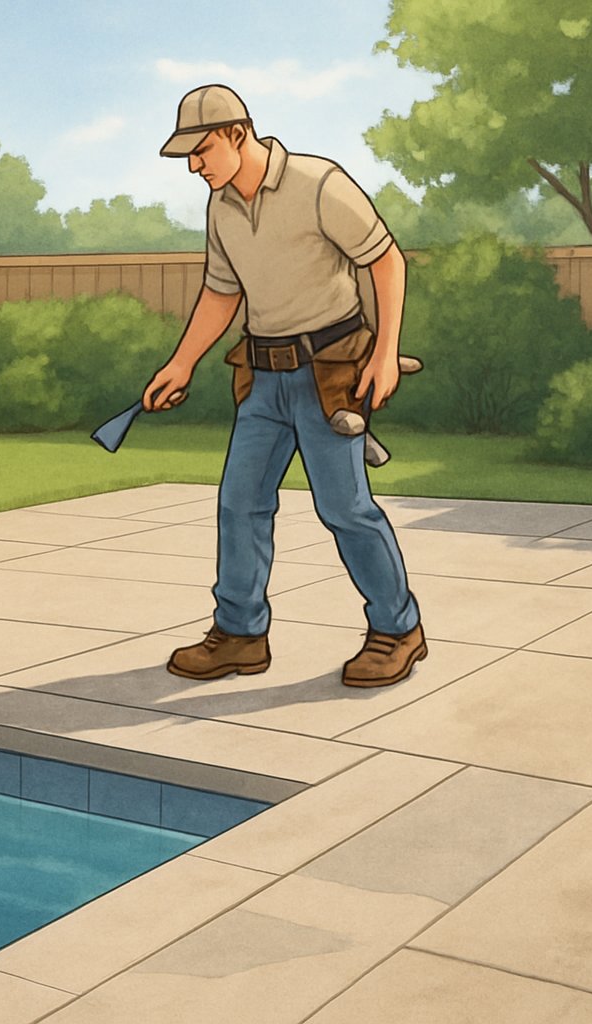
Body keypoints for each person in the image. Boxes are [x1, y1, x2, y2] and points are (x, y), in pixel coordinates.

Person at [143, 83, 424, 688]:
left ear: (237, 135)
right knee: (239, 505)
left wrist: (384, 351)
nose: (194, 165)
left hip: (330, 375)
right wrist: (183, 362)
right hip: (262, 379)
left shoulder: (319, 183)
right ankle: (240, 634)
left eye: (201, 150)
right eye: (188, 155)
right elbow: (222, 292)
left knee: (345, 508)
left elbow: (386, 260)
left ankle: (398, 630)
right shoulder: (221, 208)